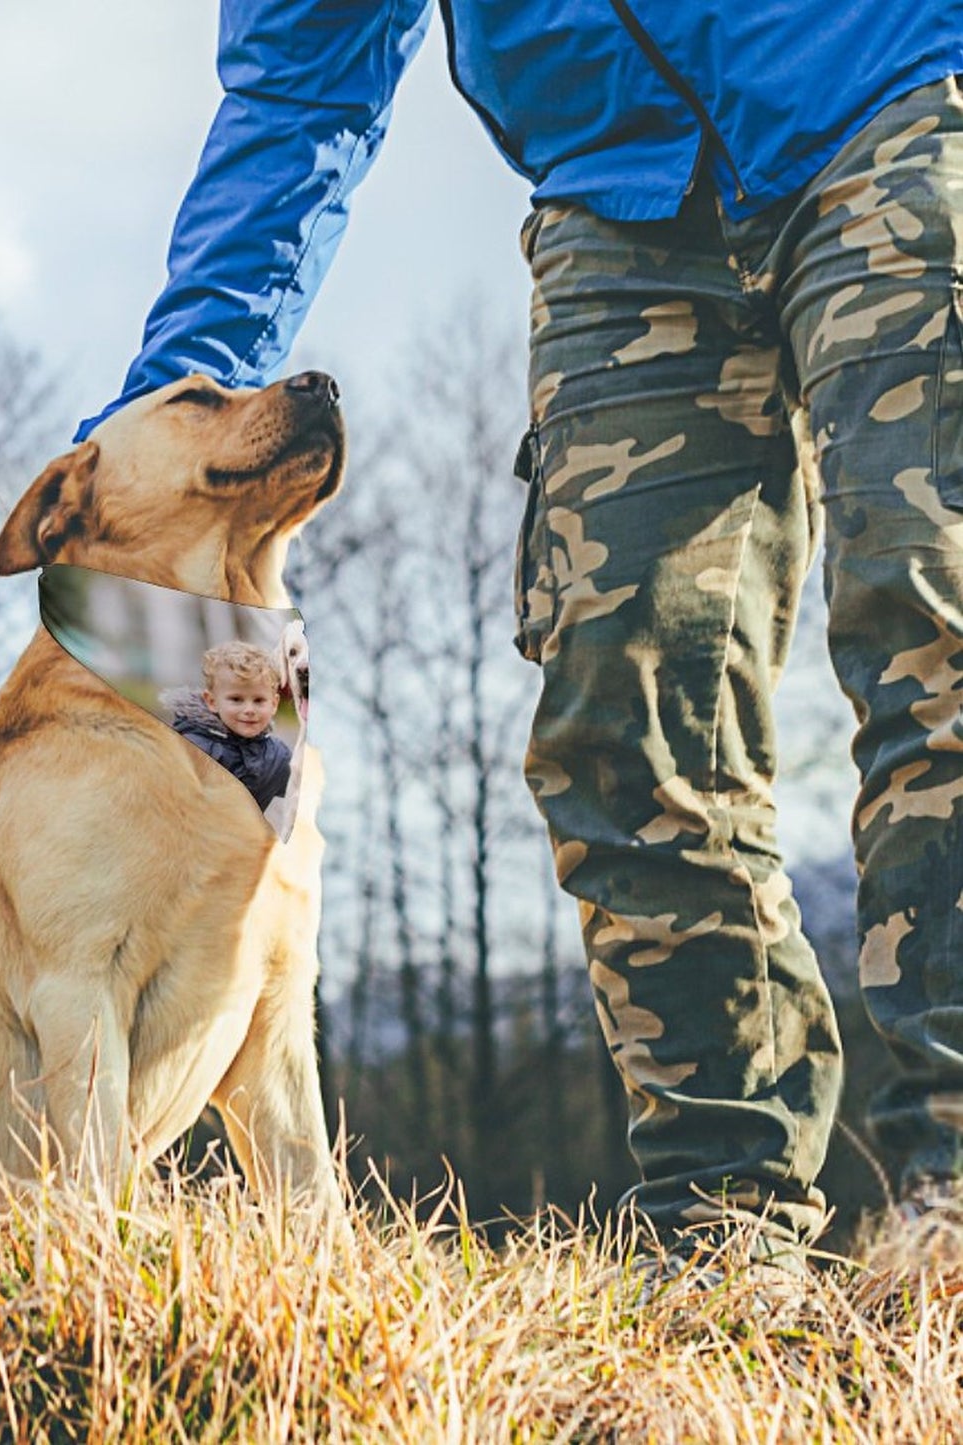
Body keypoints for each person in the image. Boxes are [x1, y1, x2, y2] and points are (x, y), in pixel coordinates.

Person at [77, 0, 963, 1262]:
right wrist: (167, 423)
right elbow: (298, 93)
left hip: (888, 86)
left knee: (931, 622)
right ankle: (724, 1229)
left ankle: (952, 1200)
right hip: (618, 199)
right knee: (623, 719)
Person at [170, 641, 294, 814]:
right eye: (236, 699)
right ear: (212, 702)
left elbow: (308, 791)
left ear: (274, 704)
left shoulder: (277, 756)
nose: (249, 710)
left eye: (259, 700)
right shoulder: (192, 748)